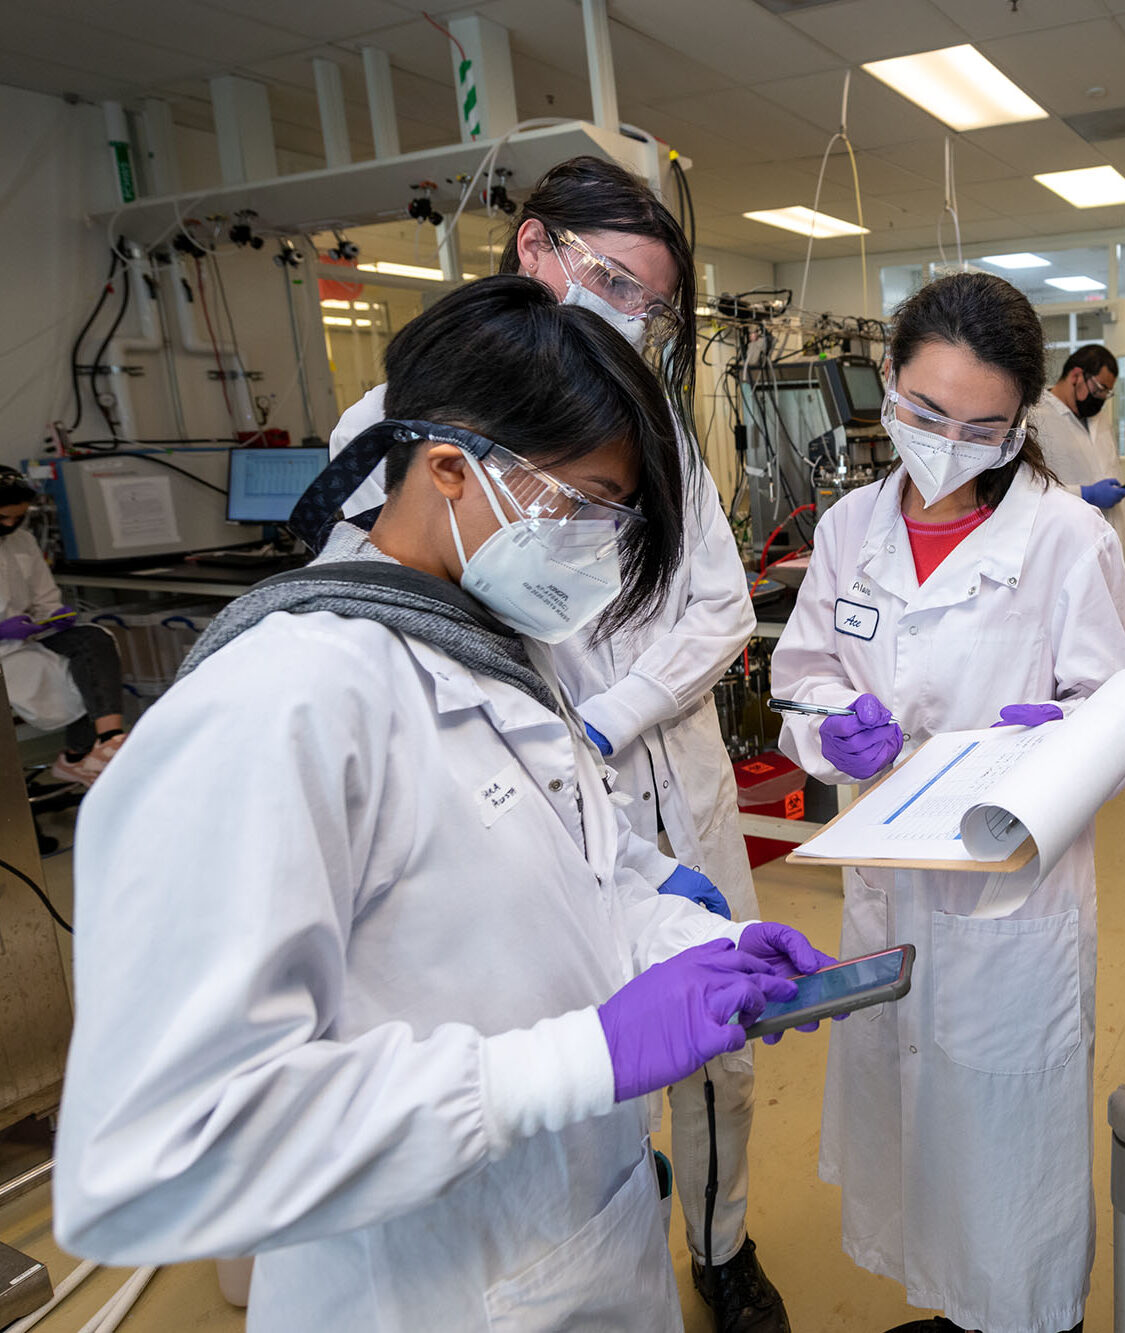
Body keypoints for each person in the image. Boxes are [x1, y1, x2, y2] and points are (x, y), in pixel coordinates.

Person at [54, 277, 835, 1332]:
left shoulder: (494, 645)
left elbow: (563, 871)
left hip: (570, 1243)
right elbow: (162, 1151)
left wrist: (689, 938)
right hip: (427, 1291)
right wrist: (578, 1060)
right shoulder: (280, 705)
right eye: (587, 507)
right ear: (452, 470)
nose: (602, 547)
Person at [328, 157, 782, 1332]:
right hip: (511, 798)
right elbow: (385, 637)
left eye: (649, 303)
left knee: (719, 1046)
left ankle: (722, 1241)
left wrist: (605, 719)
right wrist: (555, 742)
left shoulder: (656, 418)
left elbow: (721, 609)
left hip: (659, 782)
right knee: (571, 1049)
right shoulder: (395, 426)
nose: (633, 315)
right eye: (616, 283)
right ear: (536, 250)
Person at [769, 271, 1125, 1333]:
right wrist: (828, 722)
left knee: (1007, 1148)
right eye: (926, 412)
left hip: (1007, 899)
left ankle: (1028, 1314)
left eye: (983, 426)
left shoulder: (1067, 538)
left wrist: (1058, 746)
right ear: (887, 381)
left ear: (1022, 421)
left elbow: (1115, 719)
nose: (947, 441)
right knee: (918, 1130)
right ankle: (955, 1303)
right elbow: (803, 671)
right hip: (889, 879)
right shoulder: (848, 527)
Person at [0, 469, 128, 785]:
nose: (10, 525)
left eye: (18, 518)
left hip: (29, 638)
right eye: (3, 517)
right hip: (4, 653)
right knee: (81, 673)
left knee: (96, 641)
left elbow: (44, 598)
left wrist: (56, 615)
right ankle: (78, 756)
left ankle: (107, 741)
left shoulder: (22, 540)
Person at [1027, 345, 1125, 635]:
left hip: (1113, 533)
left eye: (1108, 392)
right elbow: (1027, 487)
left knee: (1119, 633)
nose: (1102, 398)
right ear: (1077, 375)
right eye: (1100, 388)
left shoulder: (1098, 418)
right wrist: (1085, 493)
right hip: (1069, 542)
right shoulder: (1035, 416)